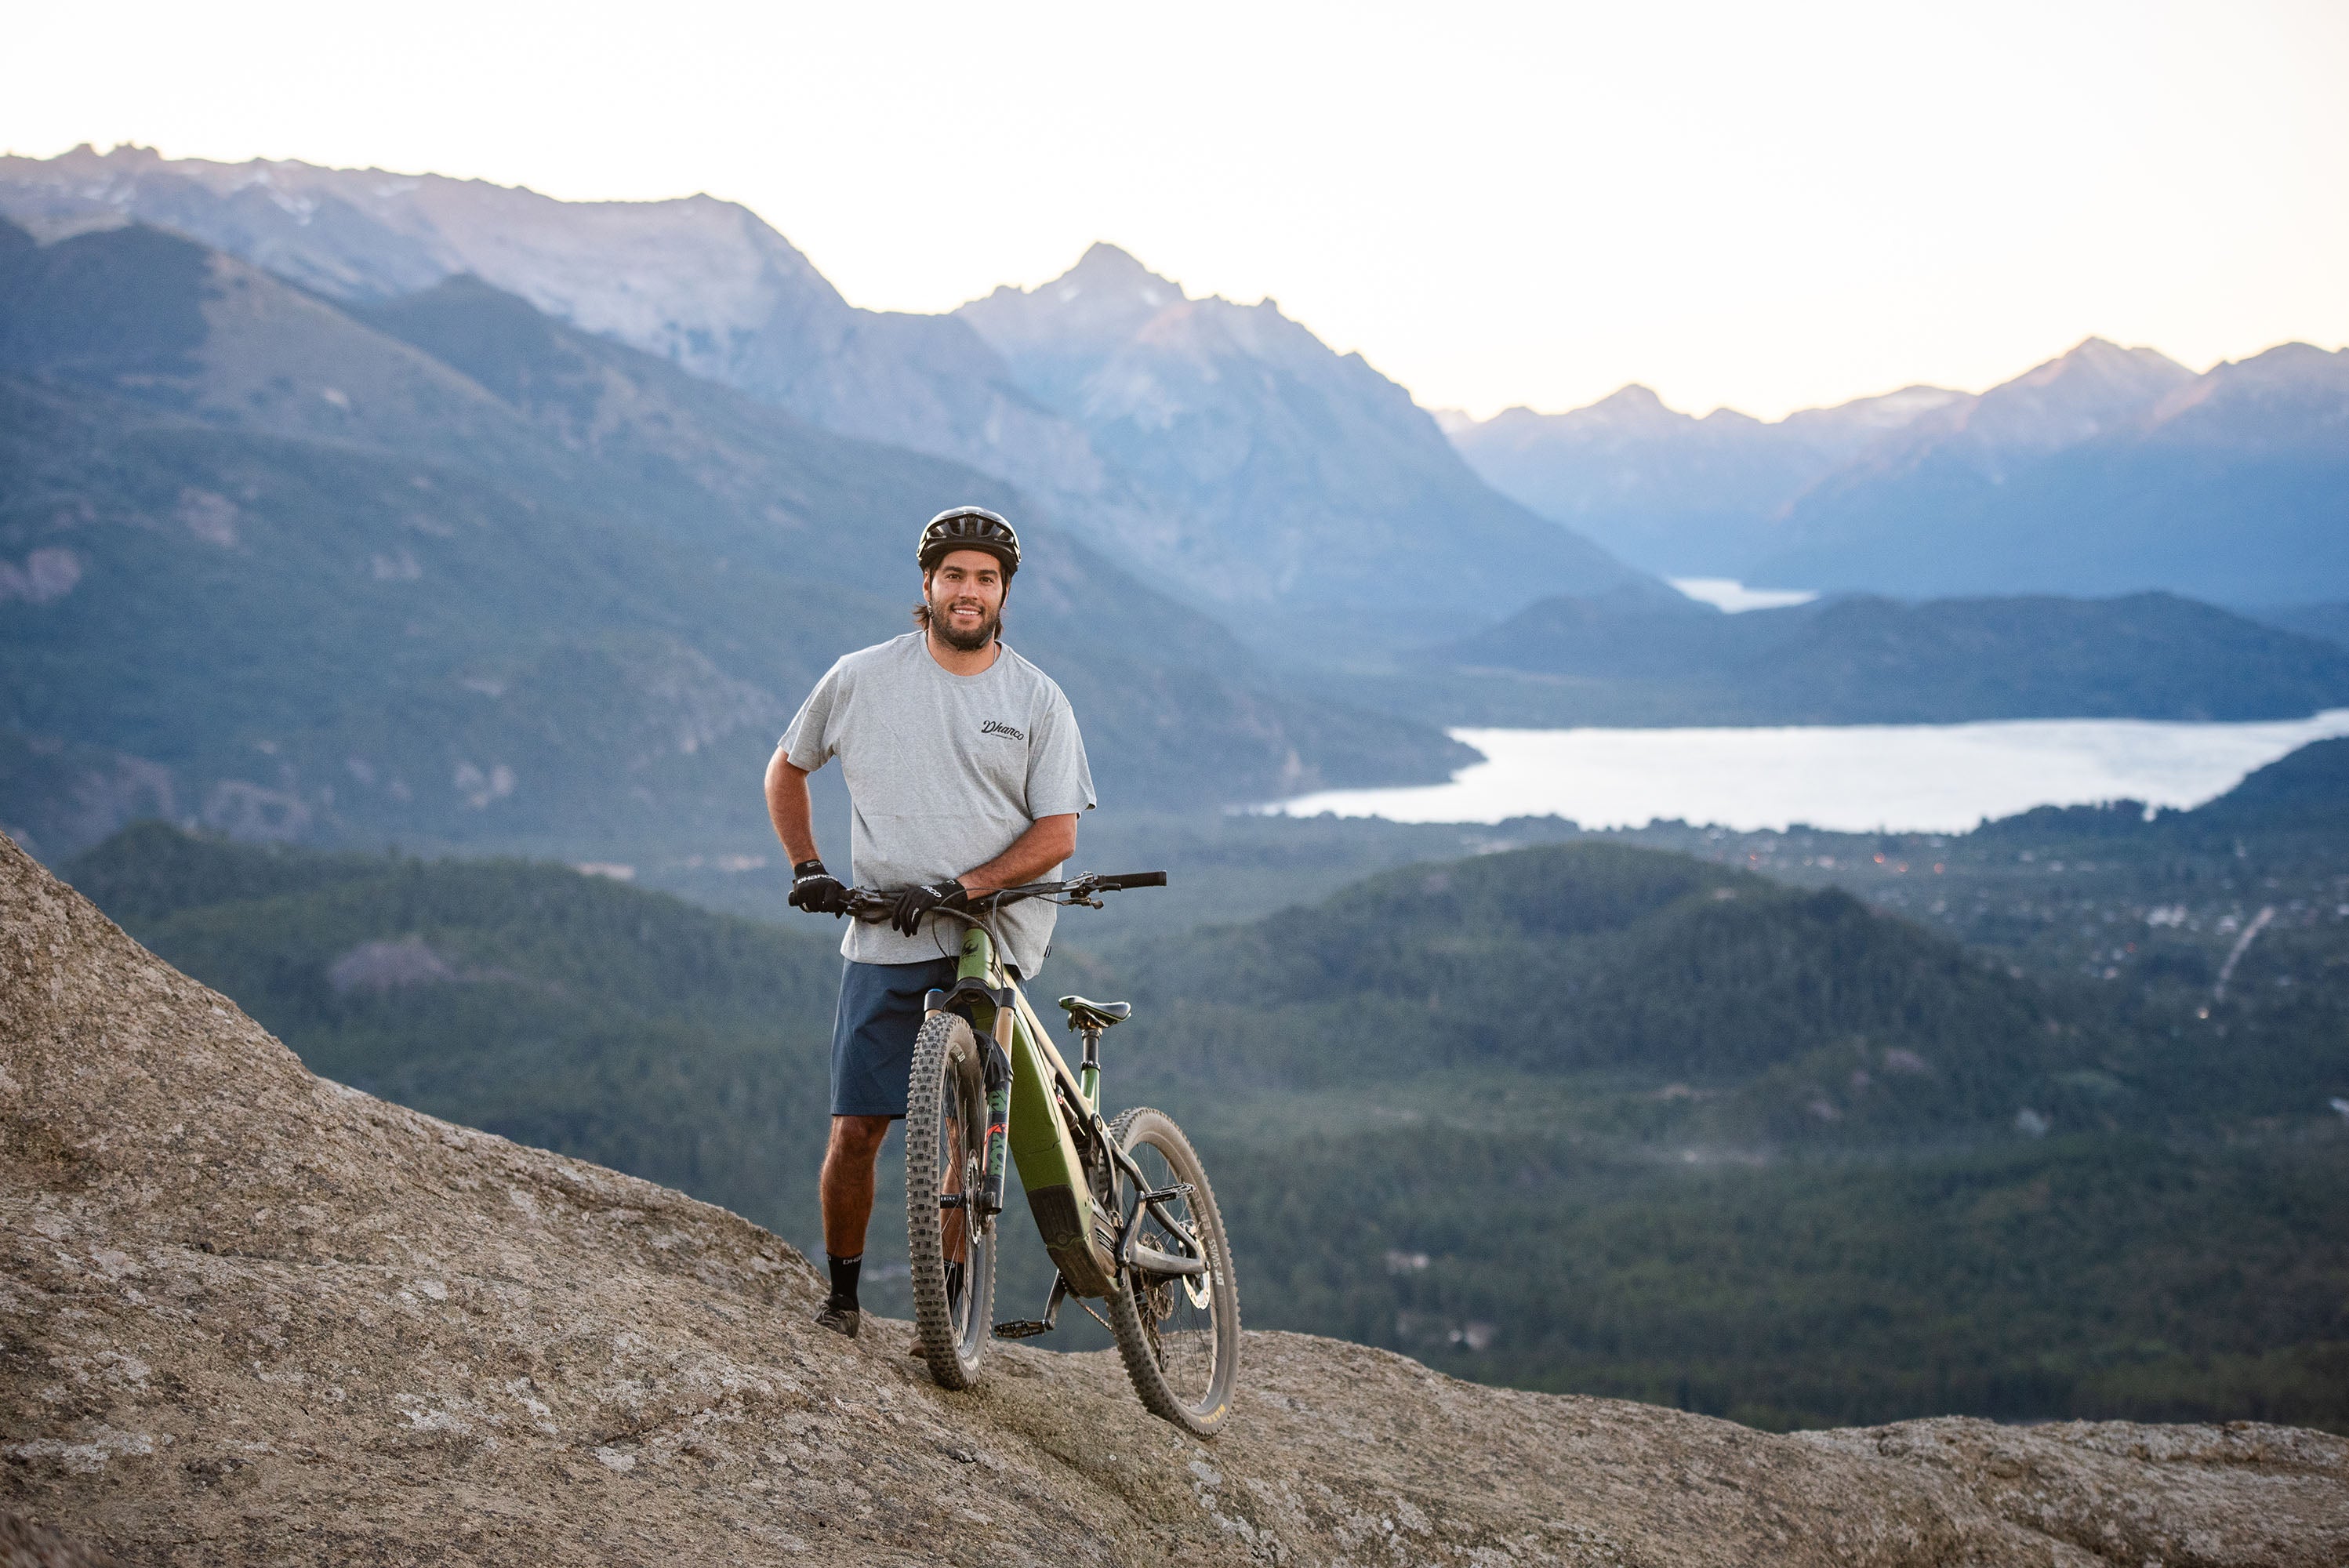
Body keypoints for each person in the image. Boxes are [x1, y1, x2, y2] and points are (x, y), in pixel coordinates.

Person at [764, 505, 1095, 1338]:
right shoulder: (861, 676)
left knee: (965, 1134)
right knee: (856, 1128)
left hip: (987, 936)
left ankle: (947, 1314)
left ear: (1004, 593)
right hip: (884, 931)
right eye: (954, 575)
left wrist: (965, 884)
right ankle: (842, 1299)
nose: (968, 591)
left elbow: (1058, 832)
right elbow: (787, 767)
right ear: (927, 583)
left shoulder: (1036, 698)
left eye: (985, 578)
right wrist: (807, 866)